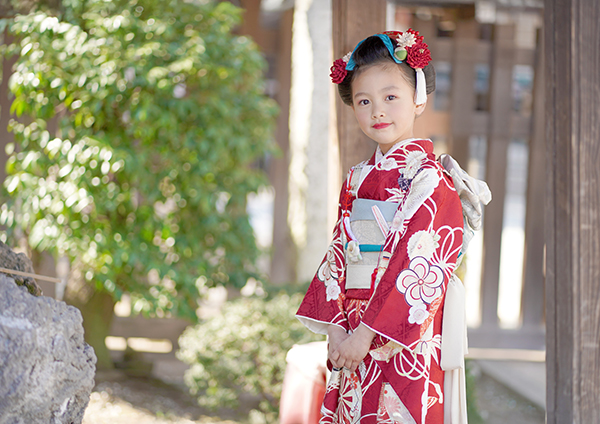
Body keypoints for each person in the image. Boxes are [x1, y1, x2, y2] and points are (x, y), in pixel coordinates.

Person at [297, 29, 490, 423]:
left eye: (390, 97)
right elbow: (339, 255)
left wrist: (365, 335)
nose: (377, 112)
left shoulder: (430, 180)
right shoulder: (357, 178)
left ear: (418, 98)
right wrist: (337, 332)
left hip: (401, 339)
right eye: (364, 101)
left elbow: (414, 265)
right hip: (352, 331)